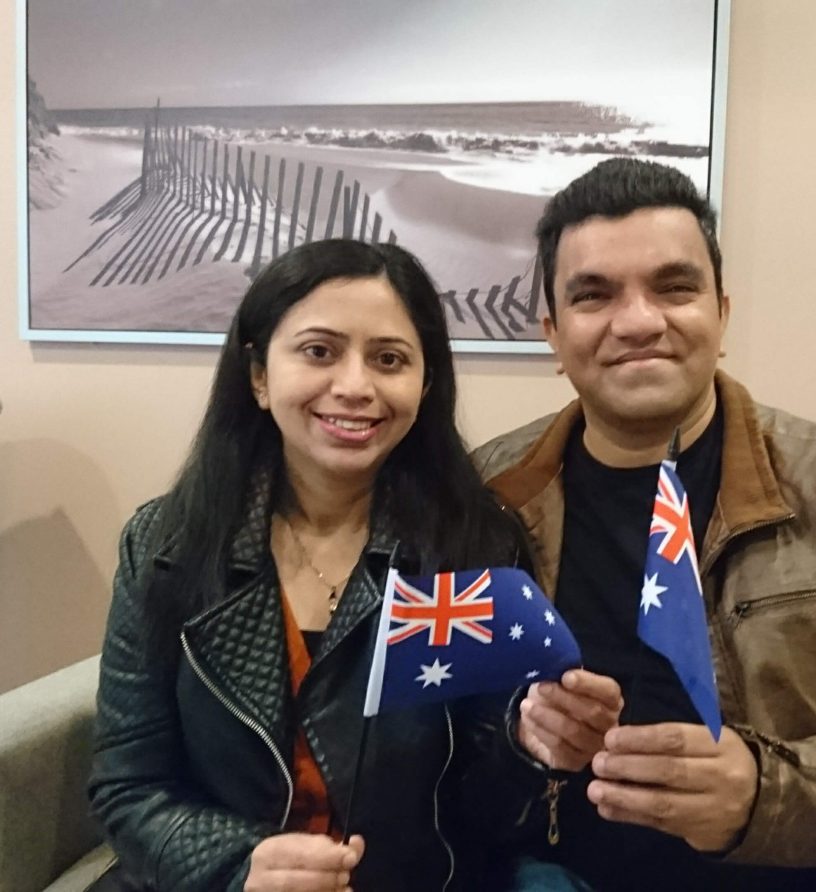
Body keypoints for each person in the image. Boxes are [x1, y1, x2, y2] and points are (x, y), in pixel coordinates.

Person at [474, 157, 816, 891]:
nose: (637, 321)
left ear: (721, 314)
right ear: (553, 334)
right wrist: (519, 730)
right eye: (594, 295)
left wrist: (766, 792)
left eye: (674, 287)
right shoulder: (488, 490)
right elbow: (436, 724)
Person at [88, 239, 532, 891]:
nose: (354, 387)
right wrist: (240, 866)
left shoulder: (472, 548)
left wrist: (533, 745)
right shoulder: (165, 545)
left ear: (425, 383)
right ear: (259, 375)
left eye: (389, 359)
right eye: (319, 351)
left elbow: (485, 810)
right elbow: (127, 786)